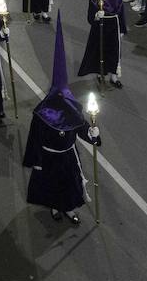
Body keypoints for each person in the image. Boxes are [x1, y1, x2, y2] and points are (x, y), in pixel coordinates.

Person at [23, 19, 99, 224]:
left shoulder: (73, 110)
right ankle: (55, 207)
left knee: (69, 185)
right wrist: (36, 162)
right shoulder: (42, 114)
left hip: (68, 157)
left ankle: (69, 209)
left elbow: (83, 129)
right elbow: (35, 140)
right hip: (49, 158)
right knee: (51, 185)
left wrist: (93, 135)